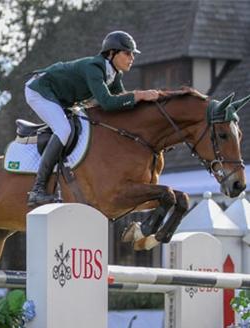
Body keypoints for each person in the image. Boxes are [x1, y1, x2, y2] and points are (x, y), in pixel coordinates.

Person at [25, 30, 159, 207]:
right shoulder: (94, 68)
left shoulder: (114, 74)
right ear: (111, 53)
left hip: (61, 98)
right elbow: (108, 103)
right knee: (64, 129)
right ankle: (38, 190)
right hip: (40, 90)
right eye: (127, 53)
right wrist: (139, 95)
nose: (132, 57)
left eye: (133, 54)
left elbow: (121, 103)